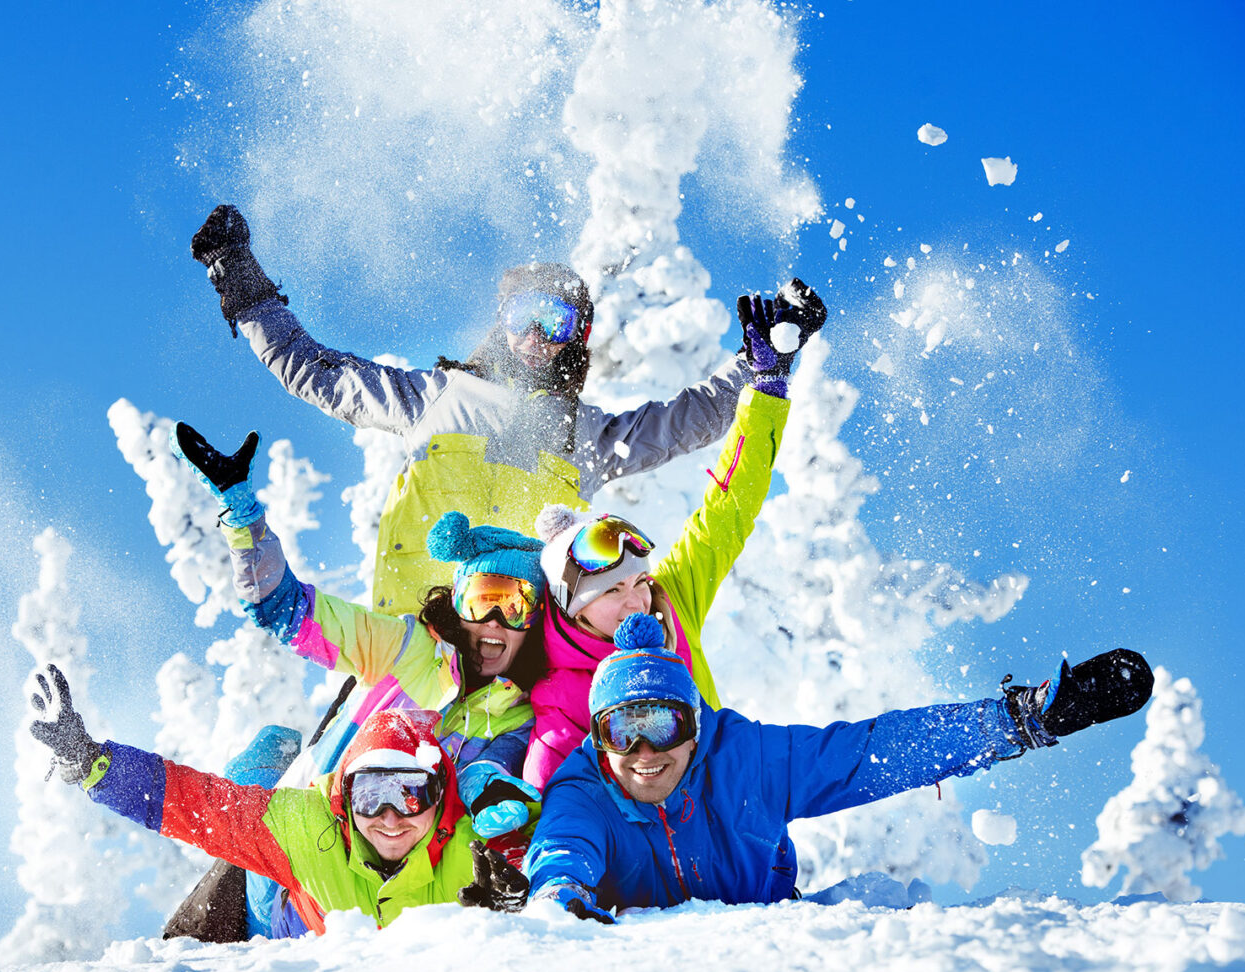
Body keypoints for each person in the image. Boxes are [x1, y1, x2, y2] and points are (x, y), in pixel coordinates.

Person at [190, 205, 773, 616]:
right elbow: (315, 370)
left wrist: (759, 365)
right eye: (527, 316)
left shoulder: (584, 436)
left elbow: (686, 421)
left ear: (576, 340)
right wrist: (240, 282)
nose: (538, 336)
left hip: (517, 663)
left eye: (559, 324)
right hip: (413, 647)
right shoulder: (433, 398)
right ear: (503, 320)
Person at [510, 614, 1153, 921]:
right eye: (624, 730)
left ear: (695, 724)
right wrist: (559, 898)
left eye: (664, 725)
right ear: (598, 737)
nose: (646, 754)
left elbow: (869, 754)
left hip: (772, 954)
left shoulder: (744, 759)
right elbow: (562, 851)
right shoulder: (583, 788)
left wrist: (1016, 721)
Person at [173, 424, 546, 840]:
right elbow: (286, 609)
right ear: (457, 606)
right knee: (226, 873)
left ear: (535, 622)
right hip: (299, 841)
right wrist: (242, 515)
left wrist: (492, 792)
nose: (495, 618)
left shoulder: (520, 714)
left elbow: (489, 770)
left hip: (386, 880)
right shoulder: (404, 647)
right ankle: (256, 777)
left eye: (517, 604)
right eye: (481, 599)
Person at [523, 283, 825, 790]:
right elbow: (548, 798)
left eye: (636, 581)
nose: (636, 600)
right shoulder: (561, 691)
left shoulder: (671, 603)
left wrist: (768, 388)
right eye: (612, 591)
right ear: (572, 606)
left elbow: (730, 506)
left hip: (719, 820)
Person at [28, 666, 525, 932]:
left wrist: (516, 902)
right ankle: (289, 745)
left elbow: (550, 863)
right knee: (255, 775)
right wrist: (96, 764)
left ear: (440, 795)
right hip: (273, 913)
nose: (390, 817)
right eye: (372, 795)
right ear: (345, 798)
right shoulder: (309, 826)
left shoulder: (474, 849)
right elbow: (199, 804)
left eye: (410, 794)